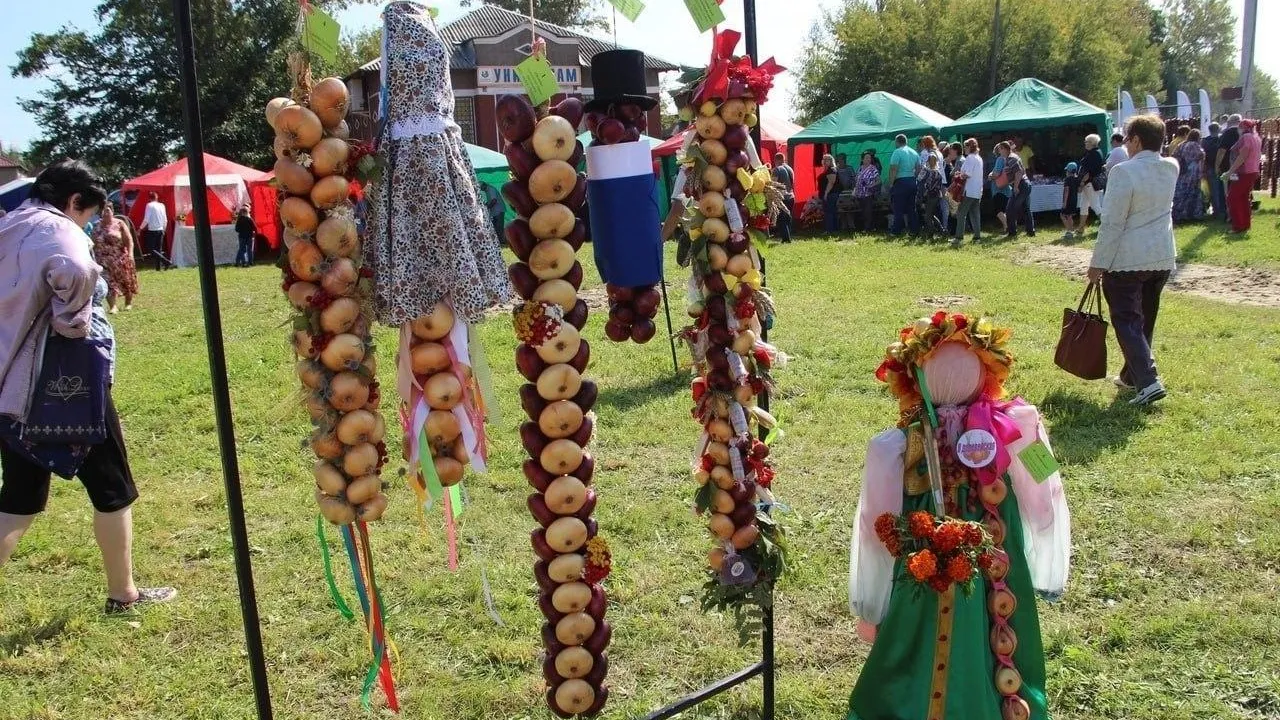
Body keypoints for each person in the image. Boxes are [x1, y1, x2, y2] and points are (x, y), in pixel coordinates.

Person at [848, 313, 1069, 720]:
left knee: (922, 636)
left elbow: (873, 527)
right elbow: (1046, 488)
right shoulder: (1017, 428)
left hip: (925, 561)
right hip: (987, 557)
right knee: (996, 633)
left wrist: (872, 601)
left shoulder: (893, 448)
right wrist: (1046, 545)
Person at [0, 160, 177, 612]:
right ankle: (124, 593)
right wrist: (72, 321)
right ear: (74, 202)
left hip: (9, 389)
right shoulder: (59, 232)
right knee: (113, 487)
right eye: (88, 213)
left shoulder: (10, 224)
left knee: (19, 499)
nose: (89, 222)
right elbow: (78, 272)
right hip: (63, 386)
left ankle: (124, 592)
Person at [1087, 114, 1178, 406]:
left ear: (1136, 139)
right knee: (1144, 321)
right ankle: (1131, 376)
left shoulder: (1124, 172)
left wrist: (1097, 262)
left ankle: (1148, 380)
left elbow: (1112, 222)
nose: (1126, 144)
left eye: (1127, 139)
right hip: (1161, 256)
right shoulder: (1171, 166)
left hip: (1128, 258)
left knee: (1127, 321)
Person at [91, 203, 139, 312]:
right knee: (108, 282)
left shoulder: (120, 223)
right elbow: (92, 242)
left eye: (107, 210)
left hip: (120, 258)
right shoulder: (96, 225)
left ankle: (128, 303)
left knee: (126, 280)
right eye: (103, 211)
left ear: (112, 211)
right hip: (102, 260)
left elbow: (129, 241)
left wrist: (130, 254)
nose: (105, 213)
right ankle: (113, 306)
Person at [1222, 119, 1262, 234]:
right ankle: (1245, 224)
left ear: (1243, 128)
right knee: (1244, 198)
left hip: (1244, 172)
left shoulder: (1246, 138)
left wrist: (1230, 171)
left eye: (1240, 127)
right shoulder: (1256, 137)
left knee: (1233, 197)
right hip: (1252, 171)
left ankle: (1238, 226)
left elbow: (1242, 156)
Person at [887, 134, 920, 236]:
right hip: (912, 181)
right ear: (906, 141)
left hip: (901, 181)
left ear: (897, 142)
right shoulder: (914, 152)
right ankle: (914, 230)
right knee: (911, 208)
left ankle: (896, 230)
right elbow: (918, 168)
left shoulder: (897, 152)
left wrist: (891, 183)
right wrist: (913, 177)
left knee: (898, 208)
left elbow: (893, 169)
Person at [998, 142, 1033, 238]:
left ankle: (1012, 232)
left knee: (1010, 209)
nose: (999, 151)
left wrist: (1016, 186)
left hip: (1021, 185)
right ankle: (1031, 231)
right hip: (1024, 184)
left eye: (1000, 149)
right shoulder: (1010, 158)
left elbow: (1019, 172)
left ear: (1005, 149)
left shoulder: (1011, 158)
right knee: (1026, 209)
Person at [953, 138, 984, 246]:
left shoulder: (970, 158)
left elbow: (967, 174)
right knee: (975, 214)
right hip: (977, 190)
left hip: (969, 190)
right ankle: (977, 237)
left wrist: (958, 175)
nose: (964, 149)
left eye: (966, 146)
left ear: (970, 147)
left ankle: (958, 237)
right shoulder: (979, 158)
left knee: (961, 213)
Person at [1172, 129, 1206, 223]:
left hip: (1182, 171)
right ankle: (1192, 214)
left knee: (1181, 193)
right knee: (1192, 192)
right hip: (1192, 171)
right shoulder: (1194, 145)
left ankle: (1178, 214)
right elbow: (1201, 155)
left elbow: (1175, 155)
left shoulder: (1182, 144)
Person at [1076, 134, 1106, 234]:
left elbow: (1088, 172)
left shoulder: (1093, 154)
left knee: (1095, 205)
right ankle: (1081, 228)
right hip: (1089, 183)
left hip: (1089, 183)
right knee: (1083, 205)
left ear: (1092, 143)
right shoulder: (1096, 152)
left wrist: (1081, 183)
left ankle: (1107, 225)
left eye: (1087, 141)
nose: (1085, 143)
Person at [137, 192, 173, 271]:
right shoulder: (162, 205)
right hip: (160, 229)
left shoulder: (149, 206)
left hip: (152, 230)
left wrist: (140, 228)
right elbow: (165, 219)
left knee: (151, 249)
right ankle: (158, 267)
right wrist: (164, 229)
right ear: (156, 198)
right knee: (158, 249)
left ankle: (166, 261)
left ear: (149, 198)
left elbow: (146, 219)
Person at [915, 154, 944, 239]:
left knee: (928, 215)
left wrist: (920, 196)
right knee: (930, 214)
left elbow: (919, 181)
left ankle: (931, 234)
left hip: (929, 196)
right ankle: (942, 230)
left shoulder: (926, 171)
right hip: (936, 195)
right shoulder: (938, 172)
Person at [1200, 122, 1224, 220]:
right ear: (1218, 129)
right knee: (1222, 189)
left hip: (1209, 167)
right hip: (1221, 167)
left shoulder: (1204, 141)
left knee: (1213, 190)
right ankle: (1222, 209)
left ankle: (1216, 210)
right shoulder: (1222, 139)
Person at [852, 151, 881, 233]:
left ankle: (867, 228)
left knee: (868, 211)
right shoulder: (860, 168)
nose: (868, 159)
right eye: (866, 158)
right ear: (862, 159)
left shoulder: (873, 168)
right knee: (862, 211)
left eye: (869, 158)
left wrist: (871, 185)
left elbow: (878, 180)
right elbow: (856, 179)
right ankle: (867, 227)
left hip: (868, 193)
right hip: (859, 193)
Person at [820, 154, 841, 234]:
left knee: (829, 212)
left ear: (831, 161)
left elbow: (831, 182)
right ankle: (834, 229)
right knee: (831, 211)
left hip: (831, 194)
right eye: (824, 159)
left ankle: (830, 230)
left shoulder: (832, 170)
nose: (825, 161)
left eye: (827, 159)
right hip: (830, 194)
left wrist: (826, 193)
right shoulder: (827, 170)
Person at [1060, 162, 1081, 239]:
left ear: (1068, 171)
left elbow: (1066, 191)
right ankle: (1071, 230)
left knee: (1062, 215)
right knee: (1069, 216)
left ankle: (1069, 231)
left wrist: (1064, 202)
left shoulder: (1067, 179)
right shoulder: (1077, 179)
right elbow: (1079, 190)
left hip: (1068, 200)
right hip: (1074, 200)